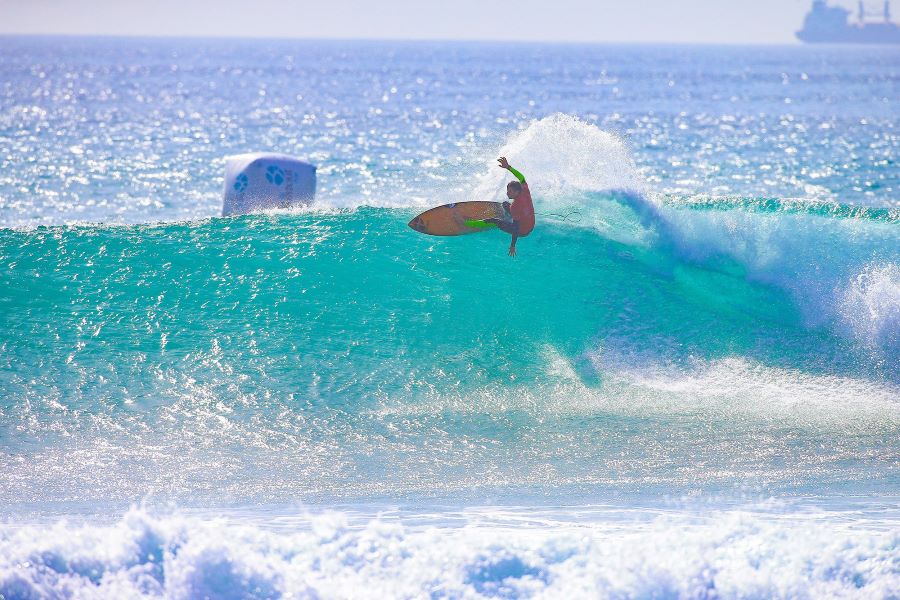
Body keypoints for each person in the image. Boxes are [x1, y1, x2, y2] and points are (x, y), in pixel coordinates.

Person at [468, 157, 535, 256]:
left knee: (495, 221)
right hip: (531, 224)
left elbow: (516, 229)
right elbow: (521, 177)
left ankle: (469, 223)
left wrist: (513, 245)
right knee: (505, 204)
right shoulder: (524, 190)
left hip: (523, 231)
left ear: (517, 192)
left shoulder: (515, 206)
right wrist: (508, 167)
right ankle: (508, 217)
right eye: (507, 190)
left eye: (510, 191)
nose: (507, 193)